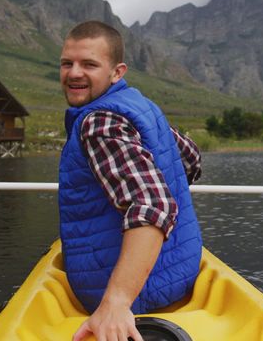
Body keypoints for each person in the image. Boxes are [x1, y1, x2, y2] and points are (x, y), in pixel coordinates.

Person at [58, 20, 203, 341]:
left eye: (89, 64)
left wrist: (115, 302)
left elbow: (153, 204)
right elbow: (190, 159)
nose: (74, 73)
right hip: (178, 274)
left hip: (139, 298)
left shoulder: (99, 122)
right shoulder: (140, 105)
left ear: (117, 71)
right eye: (67, 63)